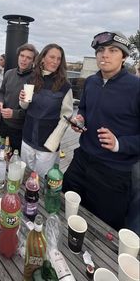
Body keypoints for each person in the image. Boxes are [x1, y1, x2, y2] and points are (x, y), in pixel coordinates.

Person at [62, 31, 140, 231]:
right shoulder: (91, 82)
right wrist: (80, 119)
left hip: (113, 172)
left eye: (113, 50)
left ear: (124, 56)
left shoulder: (136, 87)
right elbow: (85, 109)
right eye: (100, 50)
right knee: (65, 207)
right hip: (82, 159)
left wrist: (119, 144)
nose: (104, 55)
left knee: (102, 228)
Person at [19, 43, 73, 177]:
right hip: (27, 139)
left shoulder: (65, 86)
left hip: (47, 145)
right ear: (43, 58)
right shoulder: (32, 78)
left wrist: (52, 143)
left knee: (41, 181)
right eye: (52, 57)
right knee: (25, 177)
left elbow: (66, 117)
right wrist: (22, 99)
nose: (55, 62)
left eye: (58, 59)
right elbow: (25, 106)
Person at [0, 43, 37, 153]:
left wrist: (14, 113)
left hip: (21, 129)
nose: (24, 60)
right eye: (22, 56)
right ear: (18, 56)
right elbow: (2, 92)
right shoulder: (9, 73)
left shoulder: (35, 79)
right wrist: (0, 102)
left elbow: (34, 110)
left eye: (28, 58)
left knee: (14, 160)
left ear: (33, 61)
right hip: (3, 124)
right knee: (1, 154)